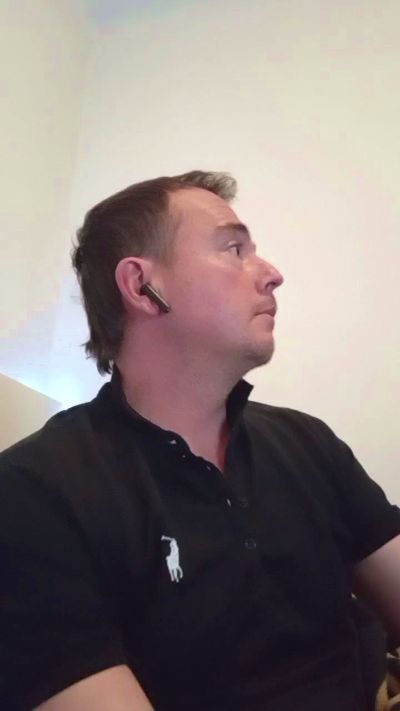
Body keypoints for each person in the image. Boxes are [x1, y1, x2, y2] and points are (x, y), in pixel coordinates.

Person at [0, 170, 399, 711]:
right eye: (234, 249)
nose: (273, 274)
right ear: (141, 286)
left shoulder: (306, 442)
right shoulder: (34, 493)